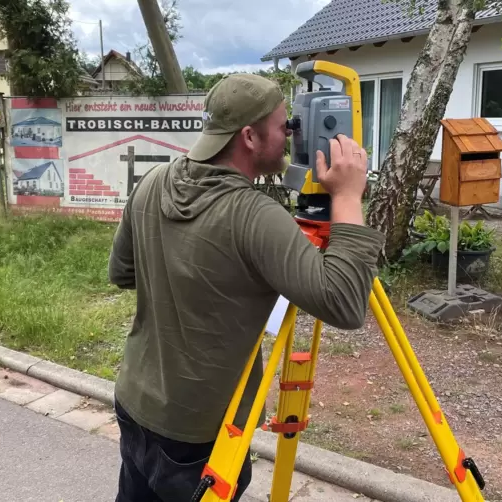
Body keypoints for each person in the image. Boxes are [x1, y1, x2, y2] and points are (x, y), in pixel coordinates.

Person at [108, 73, 385, 502]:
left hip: (135, 400)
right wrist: (348, 197)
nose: (290, 133)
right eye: (282, 126)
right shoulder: (253, 215)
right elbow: (345, 303)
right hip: (197, 435)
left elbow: (124, 272)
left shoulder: (152, 182)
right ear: (250, 137)